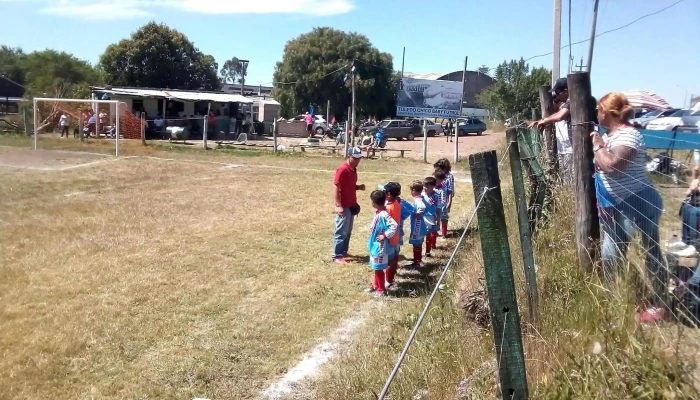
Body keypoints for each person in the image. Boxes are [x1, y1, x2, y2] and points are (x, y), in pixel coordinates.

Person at [591, 92, 666, 323]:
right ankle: (618, 300)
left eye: (599, 110)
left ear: (607, 112)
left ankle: (658, 303)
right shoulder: (613, 134)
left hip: (636, 202)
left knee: (645, 250)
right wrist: (602, 143)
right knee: (612, 253)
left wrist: (597, 147)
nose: (596, 114)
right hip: (620, 203)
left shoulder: (629, 136)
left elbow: (613, 166)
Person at [332, 147, 366, 264]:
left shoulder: (353, 169)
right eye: (355, 158)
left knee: (348, 231)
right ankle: (337, 255)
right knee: (341, 231)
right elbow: (336, 186)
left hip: (351, 205)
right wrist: (338, 205)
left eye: (359, 158)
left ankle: (343, 251)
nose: (357, 160)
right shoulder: (342, 169)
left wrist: (358, 187)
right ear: (349, 156)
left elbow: (349, 185)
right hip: (344, 205)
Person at [364, 190, 397, 297]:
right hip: (374, 245)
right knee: (376, 266)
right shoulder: (379, 212)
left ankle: (381, 289)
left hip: (380, 246)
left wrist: (385, 235)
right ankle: (376, 285)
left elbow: (394, 226)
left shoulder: (383, 214)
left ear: (374, 202)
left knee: (378, 268)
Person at [382, 182, 402, 288]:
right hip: (396, 237)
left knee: (389, 261)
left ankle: (388, 280)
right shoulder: (397, 203)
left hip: (389, 238)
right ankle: (391, 278)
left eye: (384, 192)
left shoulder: (388, 208)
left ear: (389, 194)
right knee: (394, 258)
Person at [433, 158, 455, 236]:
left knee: (444, 217)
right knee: (435, 217)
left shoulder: (449, 177)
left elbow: (450, 190)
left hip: (444, 201)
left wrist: (449, 202)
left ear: (444, 168)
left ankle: (444, 234)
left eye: (438, 169)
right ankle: (434, 232)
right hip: (435, 200)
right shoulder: (436, 175)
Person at [408, 181, 427, 266]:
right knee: (419, 243)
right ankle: (418, 259)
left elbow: (422, 207)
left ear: (414, 190)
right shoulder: (421, 197)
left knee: (416, 244)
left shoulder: (418, 200)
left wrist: (417, 213)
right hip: (419, 225)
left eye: (411, 190)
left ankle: (416, 262)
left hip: (417, 226)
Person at [422, 177, 441, 258]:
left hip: (431, 218)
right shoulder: (422, 195)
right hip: (422, 217)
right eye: (424, 186)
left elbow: (438, 208)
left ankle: (428, 251)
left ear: (433, 186)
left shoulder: (436, 196)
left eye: (427, 186)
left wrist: (438, 218)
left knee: (429, 235)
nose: (424, 188)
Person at [433, 170, 449, 240]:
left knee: (444, 220)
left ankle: (444, 234)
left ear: (440, 180)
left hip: (442, 208)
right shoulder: (433, 187)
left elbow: (443, 200)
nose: (434, 182)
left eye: (435, 180)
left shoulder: (443, 188)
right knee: (436, 221)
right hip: (435, 208)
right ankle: (435, 233)